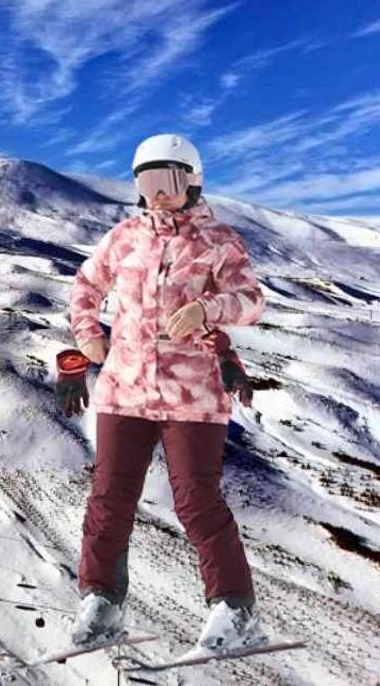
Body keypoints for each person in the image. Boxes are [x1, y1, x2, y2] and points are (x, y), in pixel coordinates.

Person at [61, 133, 267, 654]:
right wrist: (87, 332)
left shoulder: (219, 241)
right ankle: (102, 601)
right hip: (123, 391)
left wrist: (208, 310)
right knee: (109, 499)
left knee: (197, 500)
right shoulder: (124, 238)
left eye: (168, 181)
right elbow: (85, 285)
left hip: (192, 395)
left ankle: (234, 607)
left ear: (192, 182)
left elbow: (250, 300)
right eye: (147, 182)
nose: (157, 193)